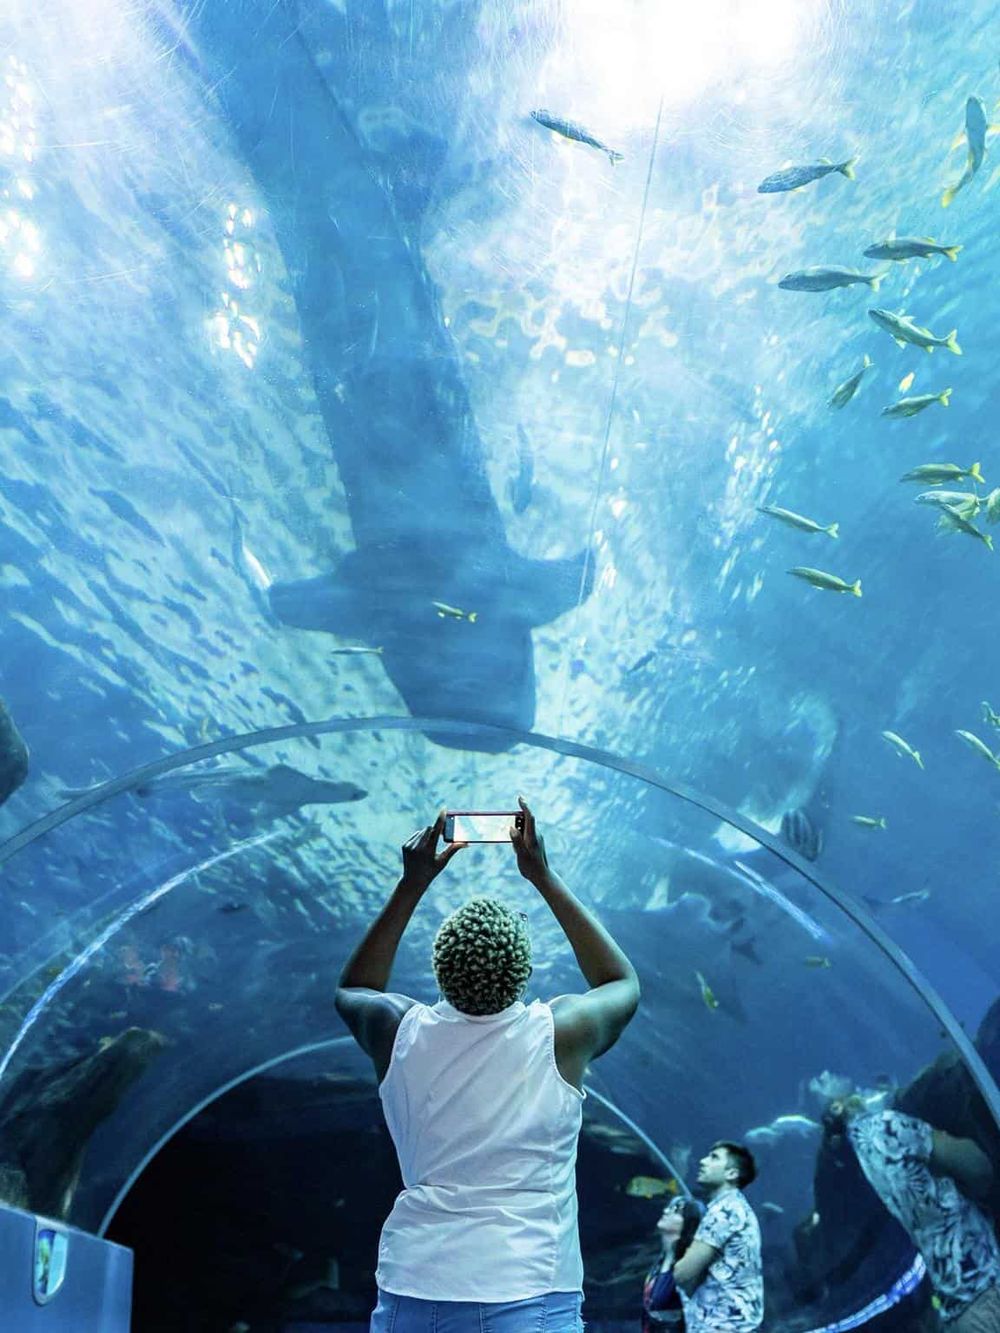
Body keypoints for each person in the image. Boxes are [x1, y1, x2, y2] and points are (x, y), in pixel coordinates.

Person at [334, 797, 641, 1333]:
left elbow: (354, 988)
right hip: (530, 1284)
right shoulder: (560, 1034)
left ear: (440, 965)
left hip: (416, 1283)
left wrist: (413, 883)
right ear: (523, 968)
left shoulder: (399, 1031)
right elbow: (622, 984)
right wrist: (542, 875)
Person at [824, 1094, 1000, 1331]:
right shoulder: (885, 1127)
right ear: (837, 1105)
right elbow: (978, 1169)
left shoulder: (844, 1169)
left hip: (958, 1315)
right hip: (986, 1286)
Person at [672, 1142, 764, 1333]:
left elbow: (683, 1273)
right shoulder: (736, 1206)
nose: (703, 1162)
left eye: (714, 1157)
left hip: (722, 1325)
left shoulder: (724, 1211)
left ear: (731, 1174)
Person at [642, 1197, 704, 1332]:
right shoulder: (660, 1261)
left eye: (676, 1210)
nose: (666, 1211)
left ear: (688, 1223)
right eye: (669, 1207)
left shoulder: (686, 1268)